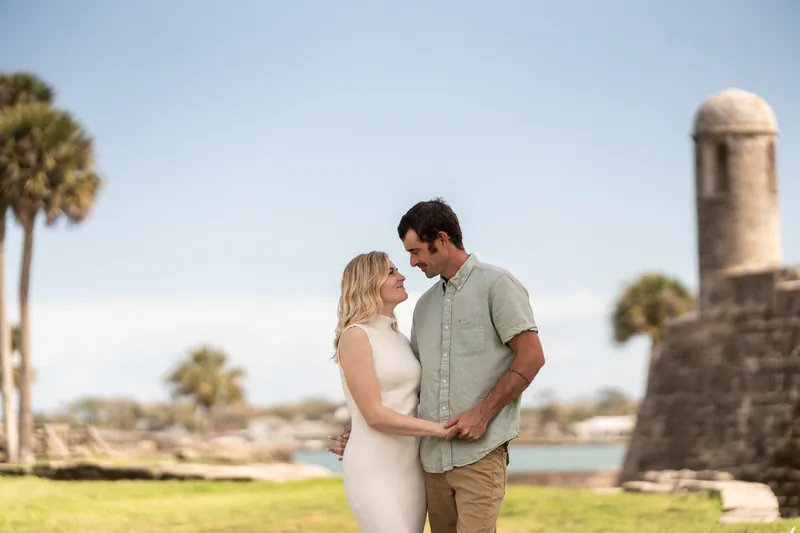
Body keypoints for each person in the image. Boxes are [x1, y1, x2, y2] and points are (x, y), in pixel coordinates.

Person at [329, 198, 545, 533]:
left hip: (478, 451)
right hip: (428, 461)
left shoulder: (497, 285)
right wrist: (362, 430)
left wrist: (482, 414)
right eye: (402, 259)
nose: (410, 264)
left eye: (415, 252)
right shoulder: (423, 308)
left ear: (442, 240)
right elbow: (411, 389)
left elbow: (532, 357)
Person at [332, 250, 457, 533]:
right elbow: (374, 415)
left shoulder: (400, 339)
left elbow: (403, 401)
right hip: (373, 468)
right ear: (367, 282)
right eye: (390, 272)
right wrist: (441, 429)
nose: (401, 276)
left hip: (410, 466)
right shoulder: (356, 335)